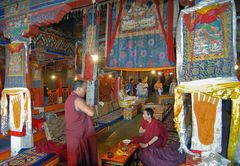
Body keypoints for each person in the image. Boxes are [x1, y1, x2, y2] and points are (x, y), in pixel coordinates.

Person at [64, 80, 98, 166]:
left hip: (72, 134)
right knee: (79, 159)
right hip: (78, 136)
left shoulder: (69, 98)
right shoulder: (77, 99)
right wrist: (90, 106)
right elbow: (91, 113)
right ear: (78, 89)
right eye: (85, 89)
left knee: (76, 159)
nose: (85, 91)